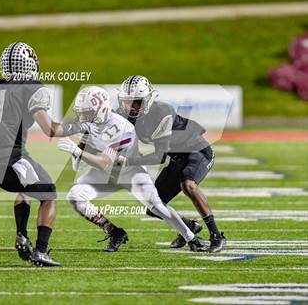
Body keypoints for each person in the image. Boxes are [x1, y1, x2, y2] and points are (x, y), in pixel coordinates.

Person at [0, 42, 85, 266]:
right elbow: (51, 129)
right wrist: (79, 126)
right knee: (49, 195)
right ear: (30, 65)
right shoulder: (32, 88)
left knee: (25, 186)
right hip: (13, 160)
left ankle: (22, 235)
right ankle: (40, 251)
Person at [57, 85, 208, 252]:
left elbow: (104, 161)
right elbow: (78, 165)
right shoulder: (91, 126)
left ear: (100, 110)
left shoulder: (122, 126)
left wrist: (77, 150)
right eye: (82, 113)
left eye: (87, 112)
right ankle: (114, 232)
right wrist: (82, 144)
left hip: (130, 172)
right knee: (75, 196)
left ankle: (191, 237)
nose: (83, 117)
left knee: (156, 206)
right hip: (106, 174)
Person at [117, 75, 226, 253]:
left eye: (136, 102)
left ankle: (216, 236)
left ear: (147, 99)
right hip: (176, 157)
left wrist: (129, 161)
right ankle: (189, 227)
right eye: (127, 102)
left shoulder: (162, 112)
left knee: (188, 184)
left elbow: (159, 156)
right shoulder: (125, 116)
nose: (131, 107)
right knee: (154, 207)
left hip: (197, 151)